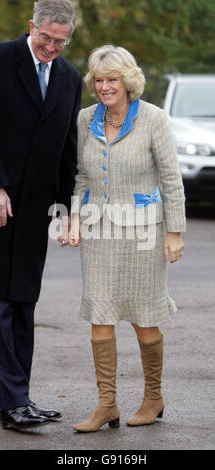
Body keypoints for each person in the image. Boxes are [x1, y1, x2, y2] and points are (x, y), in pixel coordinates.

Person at [69, 45, 186, 432]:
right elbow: (81, 177)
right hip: (99, 231)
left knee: (144, 317)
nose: (104, 87)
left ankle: (153, 397)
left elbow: (171, 178)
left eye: (112, 79)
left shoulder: (153, 118)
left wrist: (174, 231)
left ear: (128, 81)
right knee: (100, 316)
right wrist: (73, 218)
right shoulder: (86, 119)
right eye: (99, 80)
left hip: (144, 235)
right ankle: (107, 405)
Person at [0, 0, 82, 431]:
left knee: (24, 302)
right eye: (45, 38)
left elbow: (67, 148)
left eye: (60, 42)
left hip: (35, 211)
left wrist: (66, 207)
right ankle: (14, 399)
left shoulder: (70, 78)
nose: (51, 48)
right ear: (32, 27)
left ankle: (14, 401)